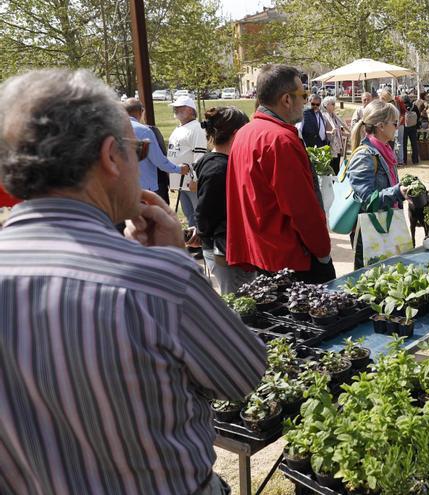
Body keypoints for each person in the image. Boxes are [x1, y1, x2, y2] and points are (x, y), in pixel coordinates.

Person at [0, 68, 265, 495]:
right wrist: (175, 259)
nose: (138, 161)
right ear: (110, 157)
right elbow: (245, 377)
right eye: (138, 150)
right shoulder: (160, 281)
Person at [227, 64, 336, 283]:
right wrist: (322, 252)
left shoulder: (244, 133)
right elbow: (301, 208)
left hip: (264, 254)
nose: (305, 101)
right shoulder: (280, 140)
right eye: (303, 95)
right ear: (286, 99)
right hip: (294, 259)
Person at [194, 107, 255, 294]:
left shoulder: (217, 161)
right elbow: (205, 213)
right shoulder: (218, 169)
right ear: (237, 134)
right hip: (224, 251)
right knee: (240, 302)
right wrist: (201, 233)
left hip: (226, 247)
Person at [346, 100, 409, 268]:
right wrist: (397, 192)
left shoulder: (385, 151)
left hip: (387, 225)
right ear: (381, 126)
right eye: (395, 123)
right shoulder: (365, 156)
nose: (398, 126)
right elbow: (368, 200)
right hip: (371, 233)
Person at [123, 98, 188, 195]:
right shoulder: (144, 131)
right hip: (142, 189)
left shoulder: (110, 129)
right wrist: (178, 169)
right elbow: (158, 160)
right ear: (141, 111)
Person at [167, 94, 207, 230]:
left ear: (190, 110)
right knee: (189, 213)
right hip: (179, 181)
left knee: (199, 213)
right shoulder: (179, 128)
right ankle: (193, 242)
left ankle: (202, 243)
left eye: (180, 107)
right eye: (175, 108)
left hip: (191, 181)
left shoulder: (197, 128)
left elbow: (199, 156)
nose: (176, 110)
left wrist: (196, 179)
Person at [321, 96, 350, 174]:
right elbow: (321, 131)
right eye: (332, 104)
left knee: (336, 168)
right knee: (331, 169)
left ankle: (334, 184)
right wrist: (330, 133)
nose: (334, 106)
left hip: (337, 146)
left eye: (334, 104)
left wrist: (347, 134)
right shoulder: (324, 116)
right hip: (329, 146)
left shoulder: (335, 117)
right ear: (326, 105)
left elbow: (338, 131)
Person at [401, 95, 421, 165]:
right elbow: (418, 115)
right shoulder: (414, 106)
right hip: (413, 126)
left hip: (404, 127)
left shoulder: (402, 106)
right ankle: (415, 160)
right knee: (414, 144)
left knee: (404, 144)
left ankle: (404, 160)